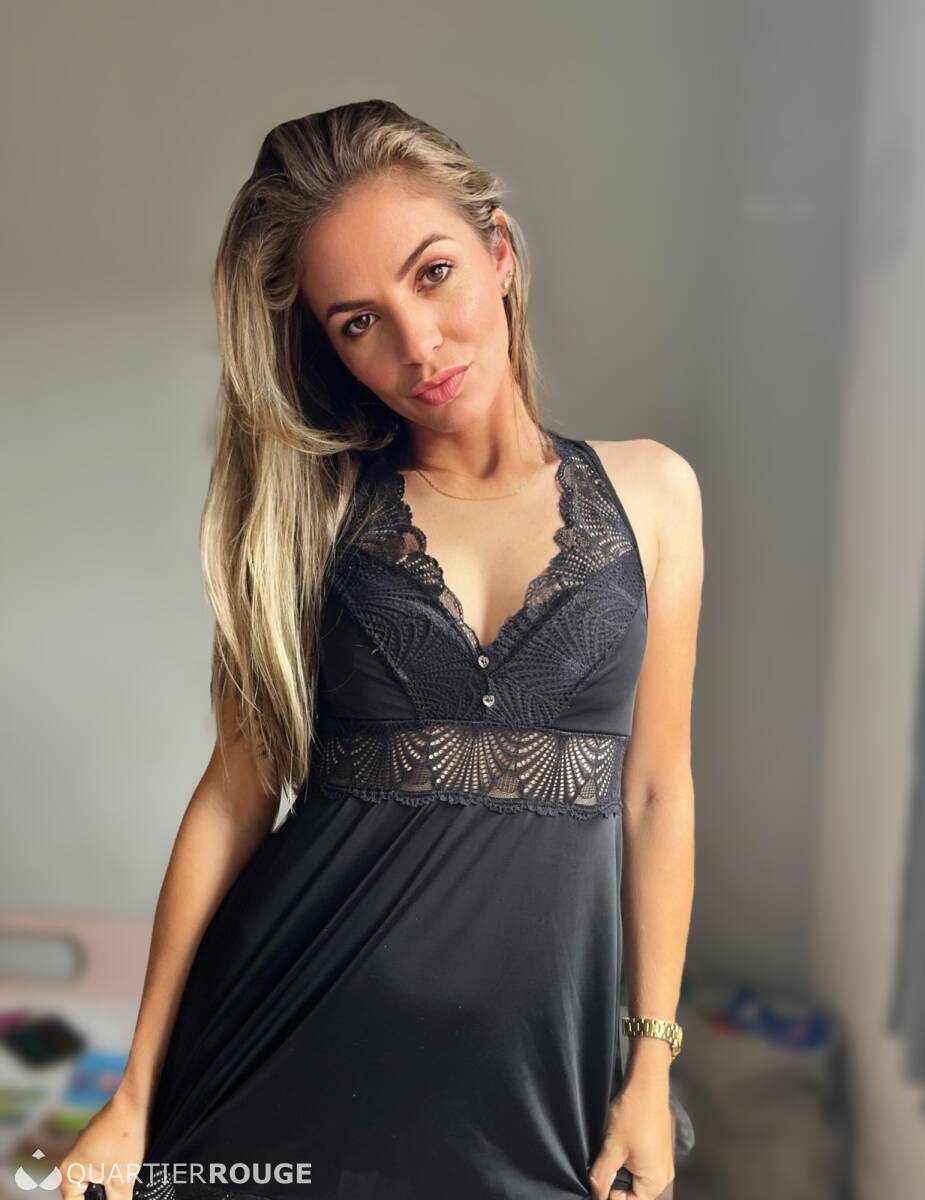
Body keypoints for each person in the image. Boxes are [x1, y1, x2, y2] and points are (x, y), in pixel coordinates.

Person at [59, 99, 702, 1200]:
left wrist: (650, 1066)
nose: (418, 344)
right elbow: (234, 796)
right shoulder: (307, 514)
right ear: (330, 347)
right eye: (358, 321)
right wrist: (129, 1097)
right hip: (284, 1044)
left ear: (499, 254)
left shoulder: (653, 491)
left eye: (433, 274)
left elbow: (655, 792)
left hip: (534, 1090)